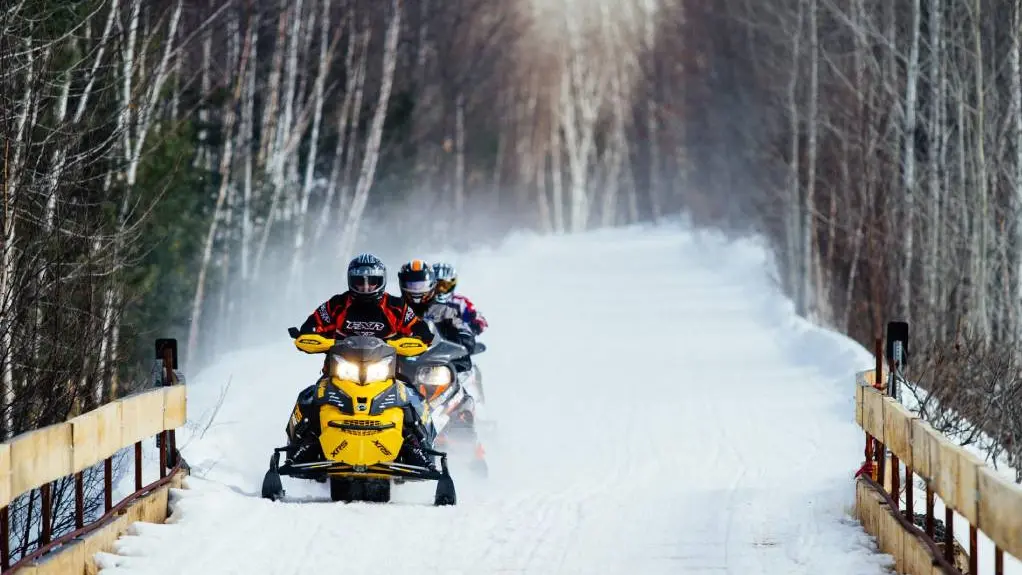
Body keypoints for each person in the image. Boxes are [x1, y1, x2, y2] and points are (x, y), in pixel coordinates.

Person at [287, 253, 436, 470]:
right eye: (360, 282)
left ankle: (417, 446)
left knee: (413, 400)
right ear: (351, 281)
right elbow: (311, 326)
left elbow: (421, 331)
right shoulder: (337, 305)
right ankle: (303, 445)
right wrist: (311, 338)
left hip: (385, 375)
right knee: (310, 398)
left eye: (371, 281)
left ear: (381, 281)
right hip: (338, 373)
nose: (366, 287)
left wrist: (415, 341)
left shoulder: (396, 307)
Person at [397, 259, 476, 368]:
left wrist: (464, 339)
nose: (416, 290)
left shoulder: (445, 311)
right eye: (411, 285)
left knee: (461, 375)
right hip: (395, 365)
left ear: (431, 284)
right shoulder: (392, 308)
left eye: (421, 285)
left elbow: (463, 330)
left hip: (435, 365)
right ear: (402, 284)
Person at [432, 262, 488, 335]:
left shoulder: (460, 302)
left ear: (452, 285)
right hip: (425, 334)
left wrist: (477, 323)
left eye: (445, 285)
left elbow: (480, 319)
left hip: (453, 337)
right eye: (437, 285)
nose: (440, 289)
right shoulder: (422, 299)